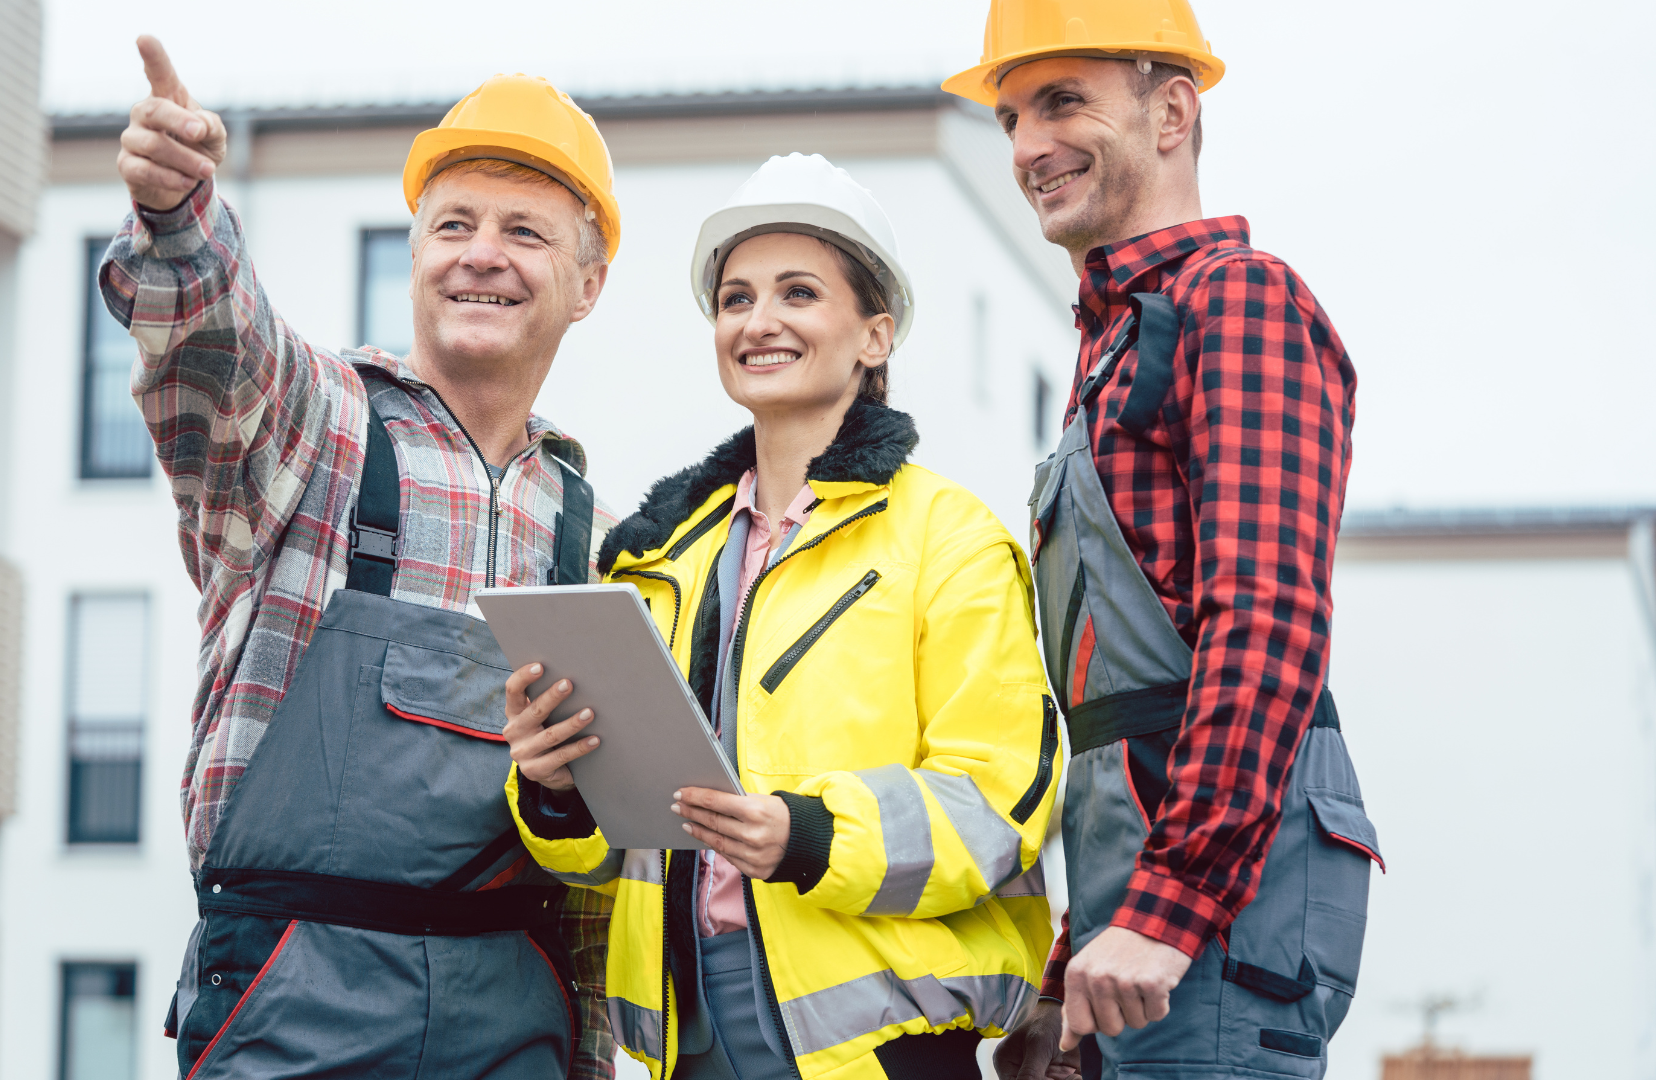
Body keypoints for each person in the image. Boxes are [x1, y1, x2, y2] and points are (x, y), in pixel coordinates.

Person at [101, 35, 627, 1080]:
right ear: (416, 249)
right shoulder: (318, 426)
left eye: (525, 232)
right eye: (454, 225)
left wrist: (594, 1051)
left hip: (515, 1017)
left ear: (588, 284)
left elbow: (594, 861)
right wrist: (181, 218)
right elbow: (217, 344)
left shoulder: (589, 530)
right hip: (294, 1002)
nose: (482, 253)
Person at [499, 153, 1062, 1080]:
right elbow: (618, 843)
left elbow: (1000, 802)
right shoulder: (658, 562)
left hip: (884, 1046)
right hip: (694, 1041)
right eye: (735, 299)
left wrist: (810, 834)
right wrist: (558, 788)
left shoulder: (948, 538)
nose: (758, 322)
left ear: (874, 336)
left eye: (798, 294)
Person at [940, 3, 1386, 1079]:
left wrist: (1171, 907)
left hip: (1226, 903)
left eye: (1062, 102)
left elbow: (1268, 623)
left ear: (1172, 109)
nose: (1026, 146)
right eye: (1009, 116)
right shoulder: (1108, 351)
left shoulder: (1238, 301)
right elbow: (1109, 720)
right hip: (1146, 901)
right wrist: (1072, 954)